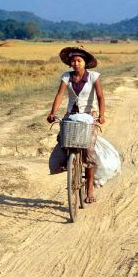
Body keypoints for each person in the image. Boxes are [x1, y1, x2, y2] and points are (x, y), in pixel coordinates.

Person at [47, 47, 105, 203]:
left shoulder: (93, 77)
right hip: (71, 115)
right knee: (63, 141)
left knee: (89, 149)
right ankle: (69, 164)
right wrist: (52, 113)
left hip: (88, 116)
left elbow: (100, 96)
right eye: (73, 61)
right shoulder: (66, 76)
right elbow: (59, 95)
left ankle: (90, 187)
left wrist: (101, 115)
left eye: (79, 60)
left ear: (85, 63)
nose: (76, 63)